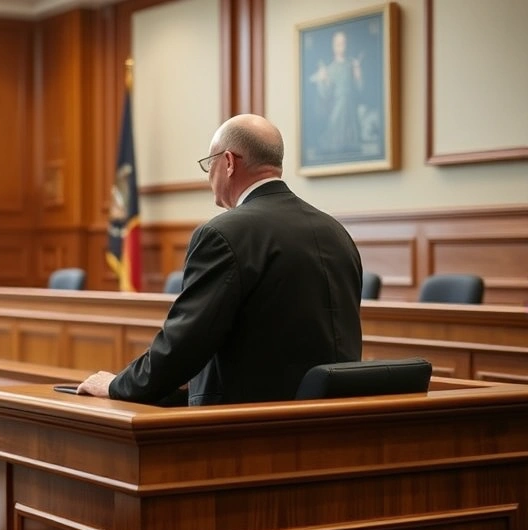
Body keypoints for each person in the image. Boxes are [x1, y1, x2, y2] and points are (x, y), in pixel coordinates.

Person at [77, 114, 363, 405]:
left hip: (244, 425)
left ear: (228, 162)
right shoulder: (336, 232)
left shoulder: (222, 234)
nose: (208, 175)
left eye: (208, 163)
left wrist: (117, 385)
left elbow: (184, 344)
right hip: (332, 419)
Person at [309, 30, 363, 155]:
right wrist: (324, 80)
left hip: (350, 106)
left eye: (343, 42)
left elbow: (359, 88)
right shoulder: (330, 68)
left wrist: (357, 71)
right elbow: (326, 94)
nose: (341, 45)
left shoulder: (351, 64)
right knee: (336, 125)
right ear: (333, 46)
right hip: (337, 104)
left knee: (351, 134)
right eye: (338, 43)